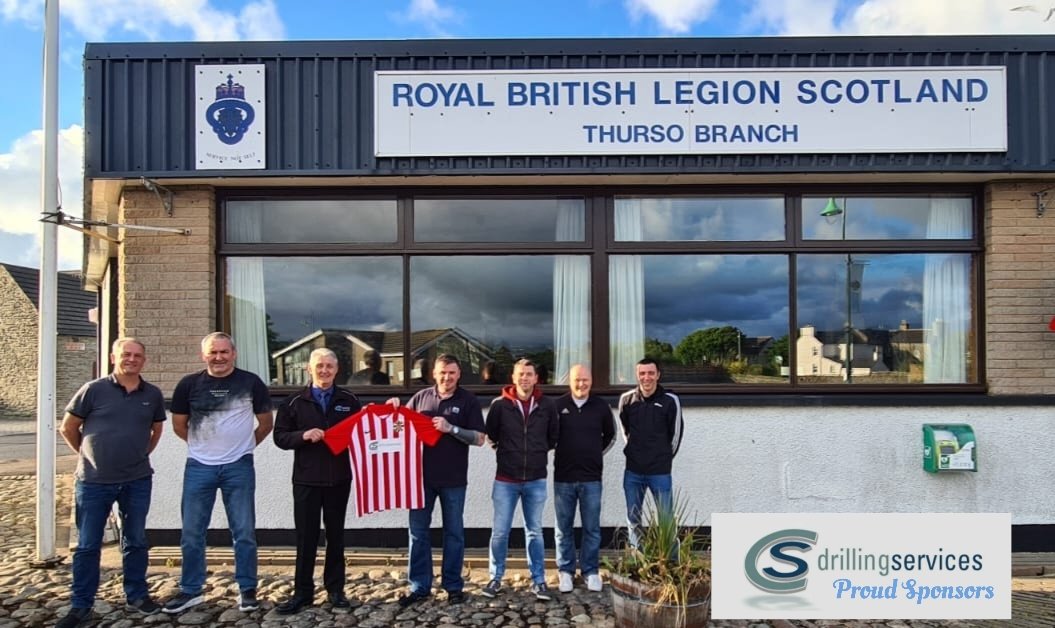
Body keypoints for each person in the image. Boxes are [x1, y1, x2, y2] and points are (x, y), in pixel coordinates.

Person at [55, 338, 167, 628]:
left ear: (144, 360)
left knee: (136, 540)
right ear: (113, 357)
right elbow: (67, 427)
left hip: (137, 479)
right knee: (88, 546)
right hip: (94, 481)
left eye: (137, 355)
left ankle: (138, 596)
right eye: (126, 354)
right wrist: (88, 455)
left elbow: (156, 431)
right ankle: (81, 605)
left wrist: (140, 454)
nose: (132, 359)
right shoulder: (93, 390)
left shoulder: (152, 394)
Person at [163, 332, 273, 614]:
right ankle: (190, 590)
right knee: (192, 533)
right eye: (213, 352)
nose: (219, 357)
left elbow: (265, 424)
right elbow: (179, 425)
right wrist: (204, 448)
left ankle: (247, 590)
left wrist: (243, 448)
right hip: (199, 467)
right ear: (204, 355)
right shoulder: (188, 385)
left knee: (244, 531)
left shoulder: (250, 382)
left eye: (224, 352)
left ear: (233, 354)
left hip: (239, 467)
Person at [390, 354, 486, 608]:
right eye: (443, 372)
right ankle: (419, 587)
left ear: (459, 374)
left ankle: (453, 586)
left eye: (452, 373)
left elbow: (479, 438)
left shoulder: (468, 400)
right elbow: (398, 428)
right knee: (418, 534)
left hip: (454, 479)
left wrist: (451, 428)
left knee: (453, 534)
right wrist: (394, 412)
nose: (447, 377)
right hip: (420, 479)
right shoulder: (421, 398)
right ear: (434, 373)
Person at [272, 348, 361, 614]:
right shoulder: (293, 402)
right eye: (319, 366)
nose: (324, 371)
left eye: (329, 366)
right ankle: (303, 593)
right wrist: (302, 436)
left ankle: (335, 590)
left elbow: (361, 434)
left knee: (336, 537)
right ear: (309, 369)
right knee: (306, 538)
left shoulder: (349, 399)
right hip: (306, 480)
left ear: (337, 370)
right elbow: (280, 437)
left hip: (339, 479)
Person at [481, 358, 559, 601]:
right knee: (500, 532)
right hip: (506, 479)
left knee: (534, 531)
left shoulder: (548, 406)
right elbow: (492, 436)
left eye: (529, 374)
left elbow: (552, 438)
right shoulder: (500, 405)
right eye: (520, 374)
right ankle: (495, 578)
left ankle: (539, 580)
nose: (525, 378)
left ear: (537, 378)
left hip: (535, 479)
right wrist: (508, 454)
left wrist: (534, 454)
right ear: (513, 378)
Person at [552, 364, 616, 593]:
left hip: (591, 479)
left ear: (591, 380)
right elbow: (550, 437)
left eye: (585, 380)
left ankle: (590, 571)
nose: (581, 384)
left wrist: (593, 454)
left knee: (592, 528)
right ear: (569, 381)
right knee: (563, 528)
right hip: (563, 478)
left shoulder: (601, 407)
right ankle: (566, 571)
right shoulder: (557, 406)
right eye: (577, 380)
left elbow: (610, 436)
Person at [617, 358, 684, 549]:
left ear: (658, 375)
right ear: (637, 375)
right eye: (642, 373)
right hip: (633, 471)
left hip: (660, 471)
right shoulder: (627, 400)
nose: (646, 378)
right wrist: (635, 451)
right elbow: (625, 431)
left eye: (651, 373)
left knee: (666, 518)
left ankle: (670, 561)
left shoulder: (671, 401)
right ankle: (639, 558)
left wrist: (662, 456)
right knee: (633, 517)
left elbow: (676, 435)